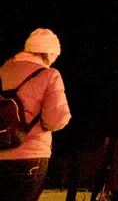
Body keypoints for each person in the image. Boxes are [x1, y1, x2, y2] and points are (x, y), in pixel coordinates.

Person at [1, 29, 71, 201]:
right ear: (48, 53)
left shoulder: (2, 71)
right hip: (30, 157)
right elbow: (54, 121)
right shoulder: (50, 75)